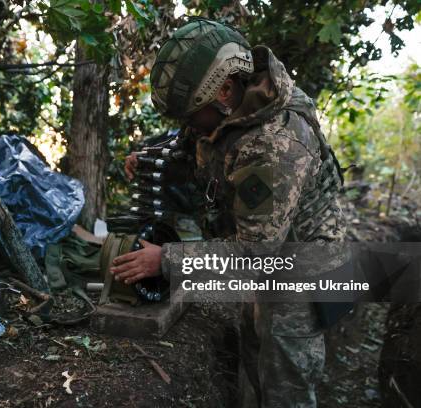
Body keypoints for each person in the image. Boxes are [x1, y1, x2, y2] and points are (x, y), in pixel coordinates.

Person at [110, 18, 347, 407]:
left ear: (223, 90)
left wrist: (166, 259)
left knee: (284, 381)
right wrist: (152, 159)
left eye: (190, 114)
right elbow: (203, 145)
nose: (186, 126)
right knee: (252, 357)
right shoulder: (230, 110)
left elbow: (255, 255)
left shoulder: (276, 146)